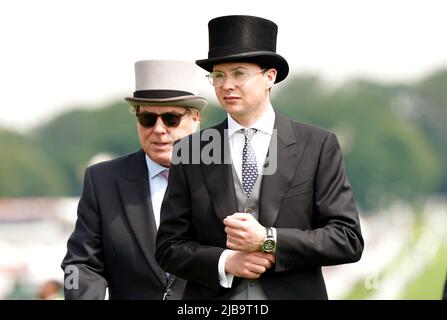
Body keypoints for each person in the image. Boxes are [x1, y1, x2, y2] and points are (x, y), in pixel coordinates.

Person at [155, 15, 363, 299]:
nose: (226, 85)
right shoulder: (190, 150)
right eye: (218, 75)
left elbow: (347, 239)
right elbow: (168, 247)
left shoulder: (317, 145)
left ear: (269, 77)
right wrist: (225, 262)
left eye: (239, 73)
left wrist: (269, 240)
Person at [61, 60, 207, 299]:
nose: (159, 129)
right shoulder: (102, 180)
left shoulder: (226, 176)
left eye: (171, 119)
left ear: (195, 119)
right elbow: (78, 265)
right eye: (148, 119)